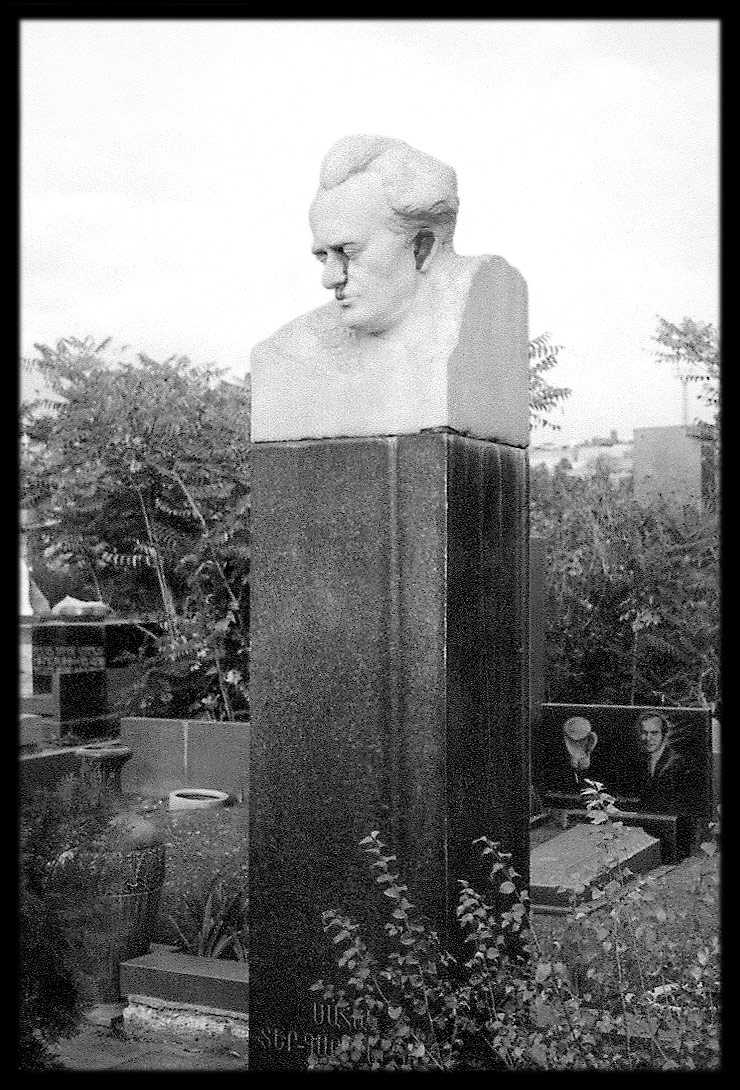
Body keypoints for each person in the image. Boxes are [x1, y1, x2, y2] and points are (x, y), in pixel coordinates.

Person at [635, 711, 689, 815]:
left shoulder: (675, 763)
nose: (647, 738)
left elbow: (661, 805)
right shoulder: (644, 760)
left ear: (664, 734)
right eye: (644, 732)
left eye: (654, 733)